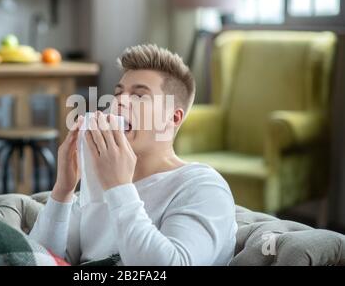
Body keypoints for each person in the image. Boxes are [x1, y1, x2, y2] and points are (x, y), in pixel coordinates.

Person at [30, 44, 237, 266]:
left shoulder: (203, 187)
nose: (119, 101)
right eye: (118, 93)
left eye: (139, 96)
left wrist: (119, 188)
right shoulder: (99, 183)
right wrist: (63, 189)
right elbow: (38, 260)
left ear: (173, 119)